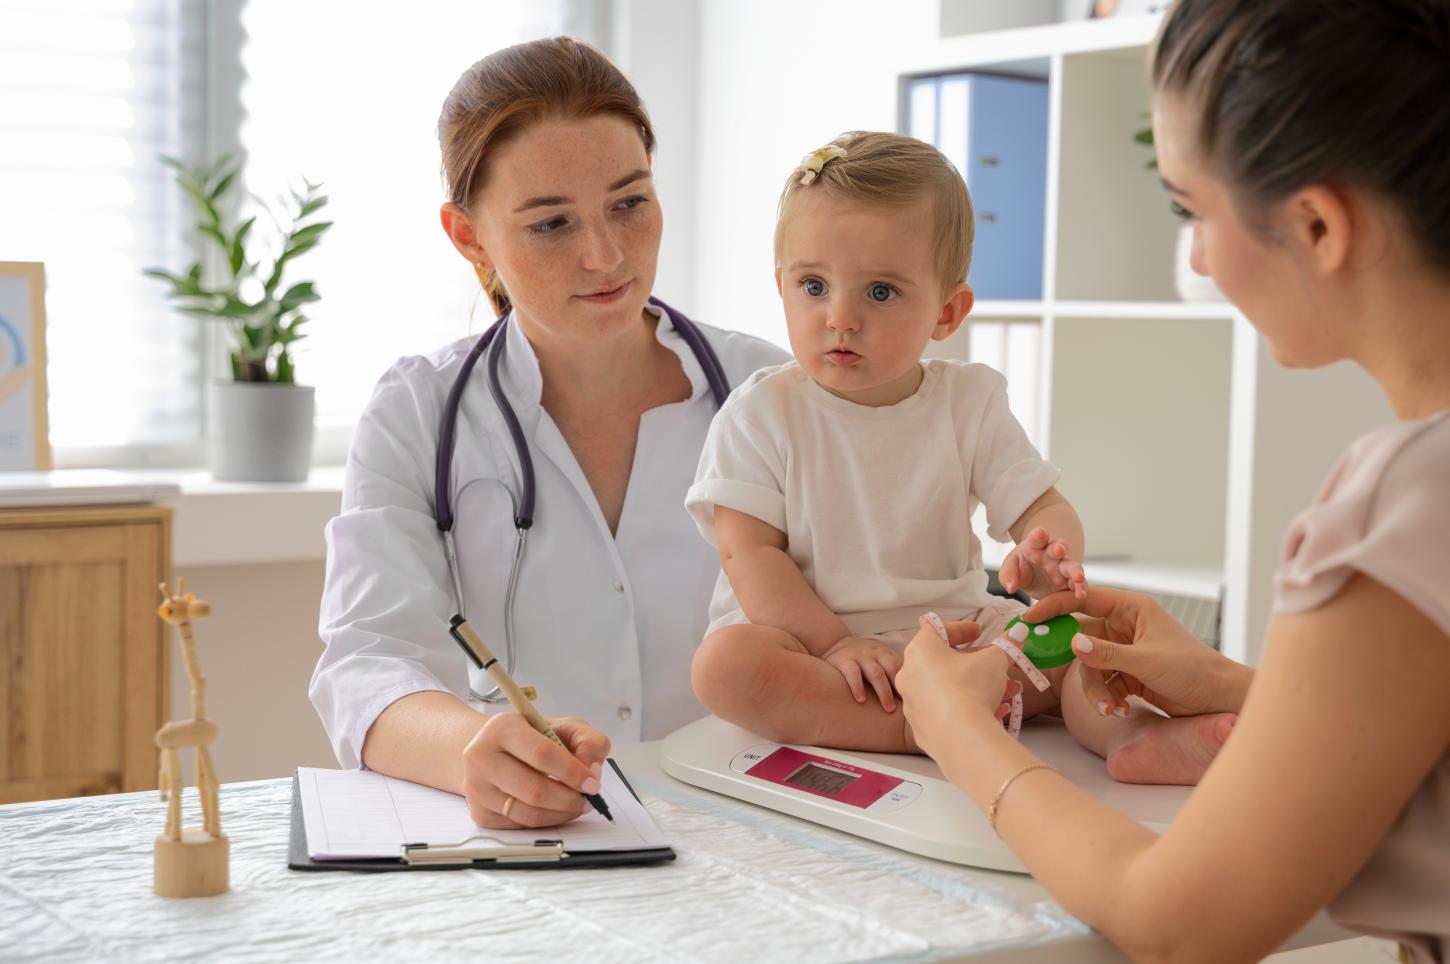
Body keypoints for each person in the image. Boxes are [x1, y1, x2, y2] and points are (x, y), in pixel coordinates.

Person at [896, 0, 1450, 959]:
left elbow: (1178, 925)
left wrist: (957, 732)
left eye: (1192, 210)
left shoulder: (1407, 499)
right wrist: (1241, 686)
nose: (1195, 257)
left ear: (1317, 225)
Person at [310, 37, 786, 831]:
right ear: (468, 236)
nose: (605, 256)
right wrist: (475, 750)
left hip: (760, 822)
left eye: (629, 203)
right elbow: (367, 664)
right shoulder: (418, 411)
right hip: (541, 839)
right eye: (551, 224)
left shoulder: (771, 392)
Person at [686, 131, 1234, 785]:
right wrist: (836, 644)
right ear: (781, 287)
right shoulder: (760, 412)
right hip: (816, 644)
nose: (840, 317)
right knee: (727, 667)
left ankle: (1136, 735)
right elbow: (749, 556)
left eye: (880, 292)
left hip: (958, 638)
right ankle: (917, 727)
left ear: (947, 312)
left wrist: (1048, 551)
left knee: (1085, 644)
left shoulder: (969, 400)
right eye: (813, 285)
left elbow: (1040, 504)